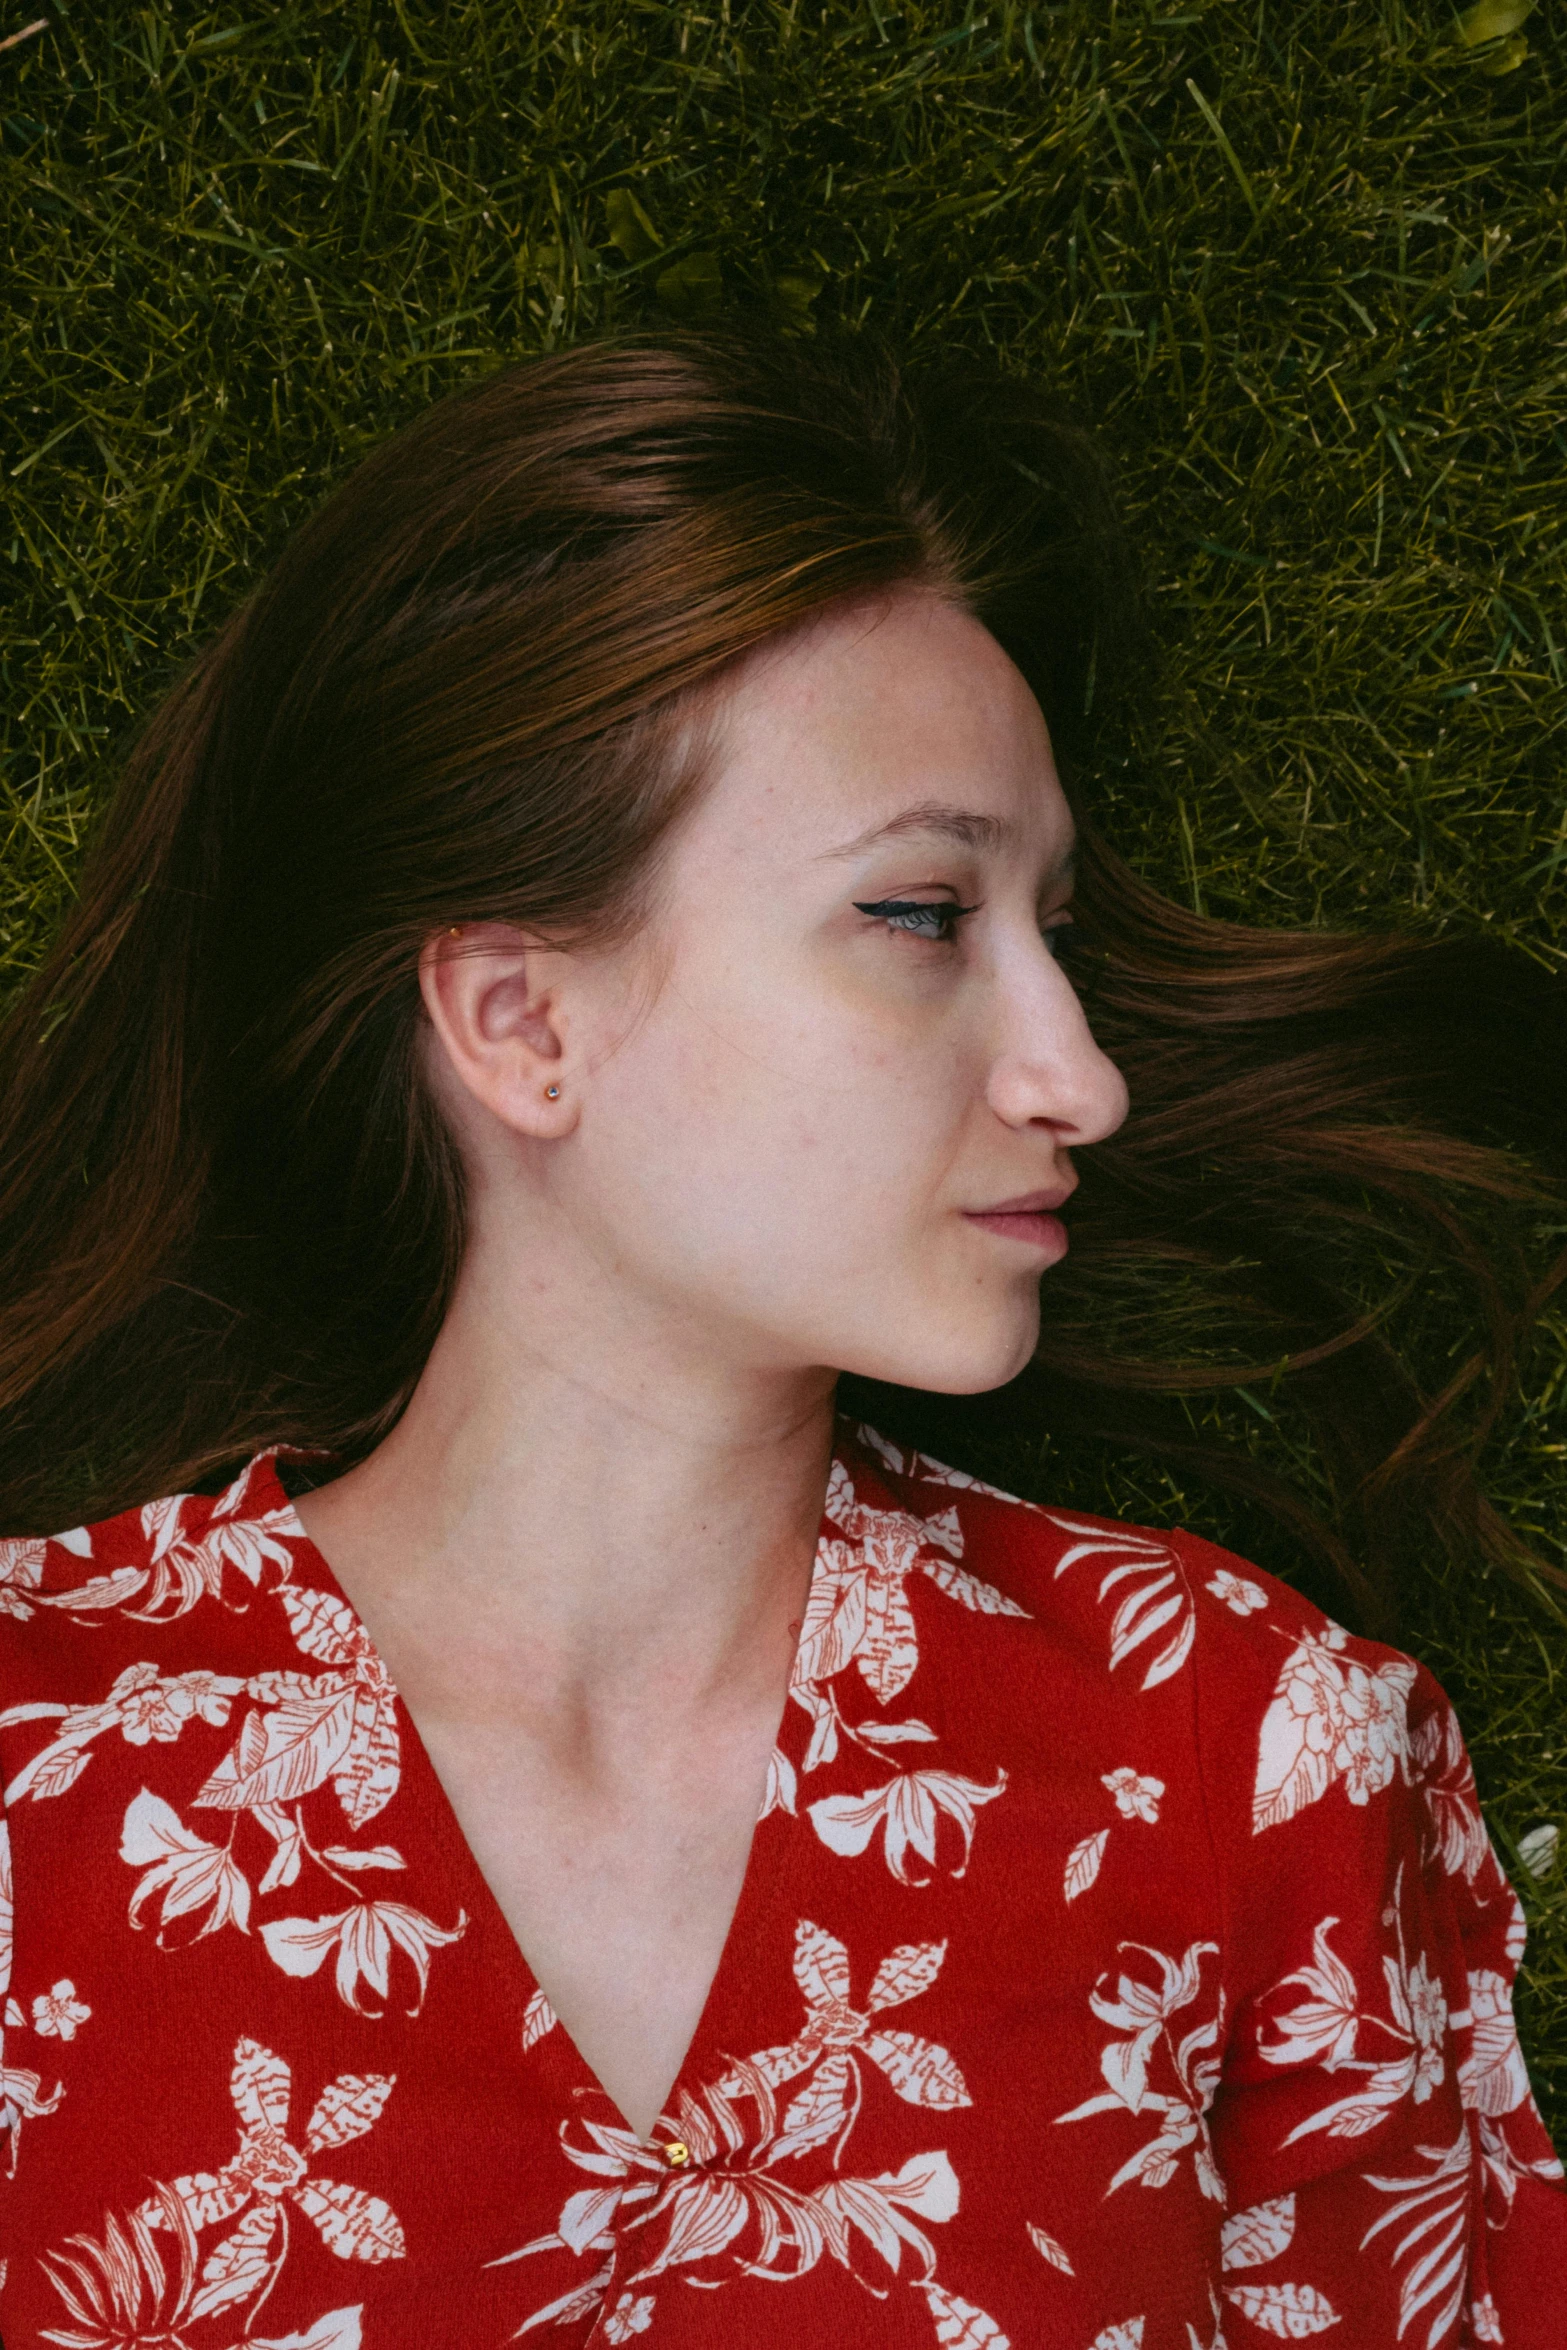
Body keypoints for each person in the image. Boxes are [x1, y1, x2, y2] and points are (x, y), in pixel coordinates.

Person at [0, 330, 1562, 2350]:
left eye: (1055, 931)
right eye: (921, 913)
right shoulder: (37, 1771)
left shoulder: (1249, 1756)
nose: (1077, 1070)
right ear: (519, 1021)